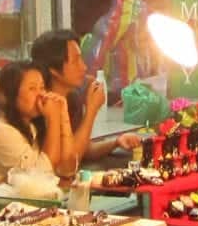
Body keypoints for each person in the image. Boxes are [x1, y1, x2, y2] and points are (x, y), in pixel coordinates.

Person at [28, 29, 140, 174]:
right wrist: (91, 111)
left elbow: (83, 148)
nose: (84, 67)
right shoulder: (43, 106)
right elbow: (68, 162)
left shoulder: (72, 98)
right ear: (54, 70)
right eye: (75, 61)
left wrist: (116, 142)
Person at [0, 61, 68, 193]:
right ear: (10, 94)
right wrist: (54, 118)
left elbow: (66, 164)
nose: (41, 94)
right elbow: (40, 175)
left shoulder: (29, 125)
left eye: (42, 87)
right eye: (32, 88)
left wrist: (63, 115)